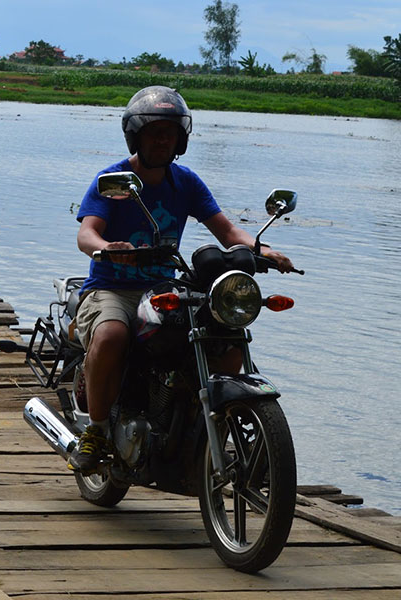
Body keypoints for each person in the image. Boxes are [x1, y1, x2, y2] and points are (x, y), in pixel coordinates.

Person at [67, 86, 296, 474]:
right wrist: (105, 247)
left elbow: (226, 230)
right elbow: (86, 232)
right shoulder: (114, 179)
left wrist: (264, 249)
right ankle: (97, 430)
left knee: (224, 337)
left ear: (181, 139)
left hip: (163, 285)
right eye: (154, 131)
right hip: (112, 287)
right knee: (111, 336)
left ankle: (202, 427)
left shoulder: (185, 182)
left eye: (170, 132)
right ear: (135, 135)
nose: (162, 139)